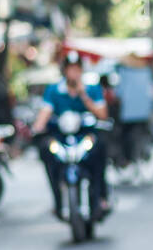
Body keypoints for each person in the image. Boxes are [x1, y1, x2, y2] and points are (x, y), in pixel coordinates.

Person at [31, 53, 110, 219]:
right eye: (70, 69)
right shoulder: (53, 90)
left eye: (76, 69)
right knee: (46, 150)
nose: (73, 73)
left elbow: (102, 115)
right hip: (62, 137)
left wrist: (83, 95)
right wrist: (37, 128)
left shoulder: (92, 88)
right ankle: (58, 200)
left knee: (100, 150)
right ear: (65, 71)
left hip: (86, 135)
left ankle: (101, 197)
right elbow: (44, 114)